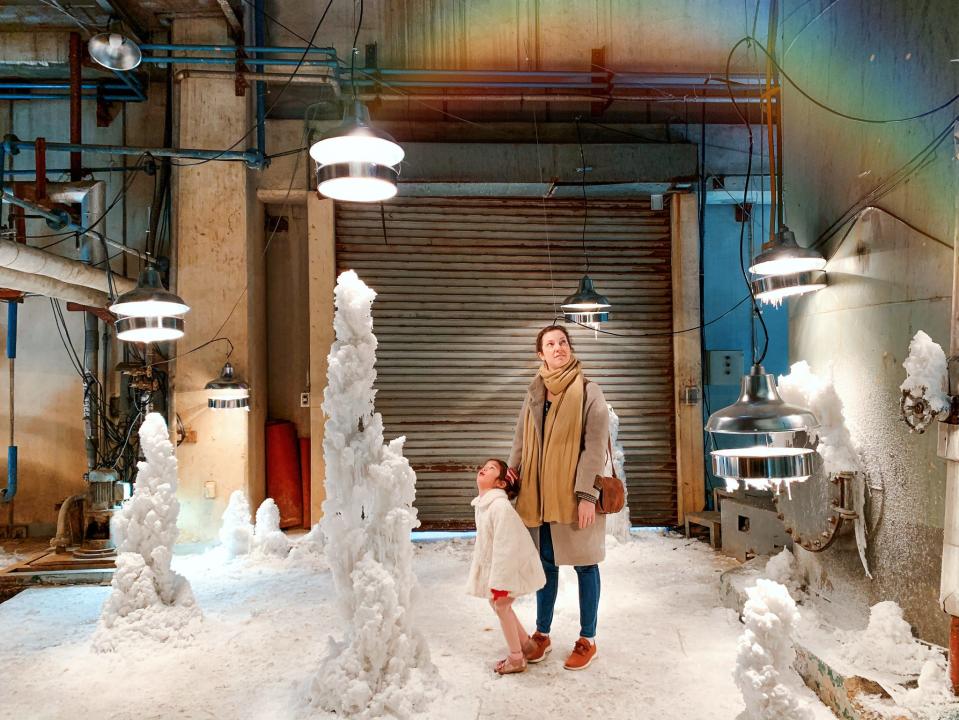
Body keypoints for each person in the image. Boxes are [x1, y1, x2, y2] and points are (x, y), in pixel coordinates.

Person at [507, 325, 609, 671]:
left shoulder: (589, 390)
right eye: (550, 344)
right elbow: (520, 439)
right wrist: (511, 476)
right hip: (538, 496)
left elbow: (594, 447)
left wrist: (586, 496)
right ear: (541, 354)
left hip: (573, 495)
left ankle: (587, 638)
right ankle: (542, 634)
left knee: (585, 563)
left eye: (563, 342)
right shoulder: (535, 392)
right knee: (545, 566)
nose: (558, 348)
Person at [466, 458, 547, 675]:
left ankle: (516, 658)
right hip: (505, 566)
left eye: (491, 468)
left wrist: (500, 583)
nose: (484, 468)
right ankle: (529, 647)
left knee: (501, 605)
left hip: (514, 564)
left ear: (501, 484)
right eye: (484, 466)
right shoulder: (485, 505)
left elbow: (506, 546)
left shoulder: (499, 507)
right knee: (498, 604)